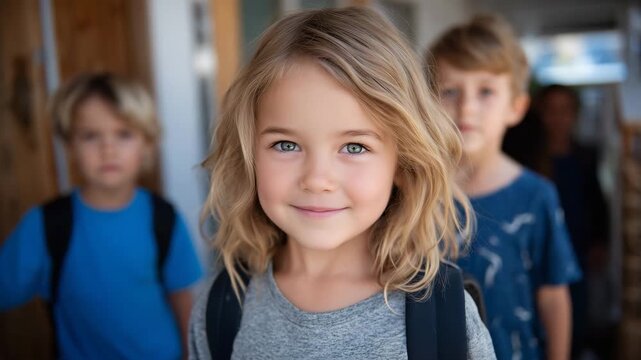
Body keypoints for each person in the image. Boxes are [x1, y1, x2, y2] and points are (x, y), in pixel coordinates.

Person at [189, 6, 495, 360]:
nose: (317, 180)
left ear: (403, 163)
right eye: (286, 145)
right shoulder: (221, 308)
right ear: (250, 156)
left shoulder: (445, 317)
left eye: (354, 147)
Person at [0, 73, 204, 359]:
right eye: (90, 135)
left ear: (146, 144)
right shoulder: (46, 225)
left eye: (124, 134)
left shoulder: (164, 218)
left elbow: (182, 300)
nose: (108, 149)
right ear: (70, 145)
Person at [427, 15, 582, 360]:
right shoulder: (416, 193)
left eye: (486, 91)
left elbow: (553, 295)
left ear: (516, 107)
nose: (466, 107)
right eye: (450, 91)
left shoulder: (537, 196)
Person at [535, 84, 610, 359]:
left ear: (575, 115)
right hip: (540, 251)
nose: (558, 118)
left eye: (565, 111)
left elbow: (597, 202)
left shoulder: (584, 156)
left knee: (576, 312)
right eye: (551, 111)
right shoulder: (532, 161)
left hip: (578, 246)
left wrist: (600, 241)